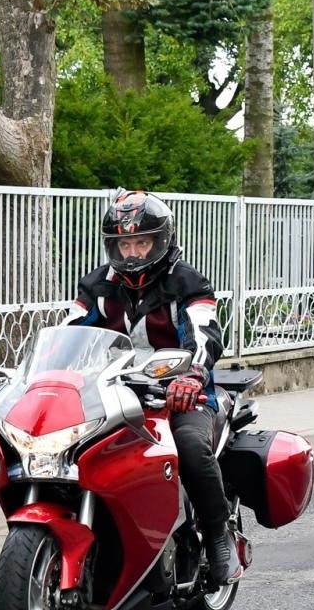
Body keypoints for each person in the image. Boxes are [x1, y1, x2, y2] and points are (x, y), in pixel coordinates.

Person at [65, 189, 237, 587]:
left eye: (141, 243)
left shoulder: (187, 282)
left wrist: (192, 375)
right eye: (124, 245)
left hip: (180, 395)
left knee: (191, 448)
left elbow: (205, 334)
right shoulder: (96, 286)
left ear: (161, 241)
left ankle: (218, 536)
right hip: (113, 394)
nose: (133, 254)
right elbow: (68, 334)